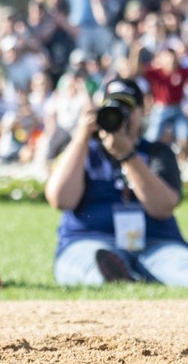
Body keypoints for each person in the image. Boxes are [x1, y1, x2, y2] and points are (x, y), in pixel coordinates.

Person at [44, 77, 188, 285]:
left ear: (141, 112)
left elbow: (163, 207)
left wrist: (128, 156)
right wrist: (80, 137)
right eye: (111, 108)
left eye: (127, 108)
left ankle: (122, 276)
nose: (119, 115)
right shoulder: (83, 150)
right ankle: (113, 274)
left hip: (156, 243)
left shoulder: (157, 153)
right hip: (90, 241)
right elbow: (61, 199)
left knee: (181, 268)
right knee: (89, 265)